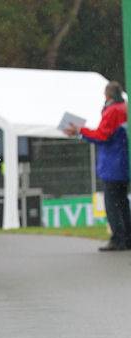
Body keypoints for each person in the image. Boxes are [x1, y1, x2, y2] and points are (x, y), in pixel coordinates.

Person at [65, 81, 131, 251]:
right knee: (122, 202)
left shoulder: (112, 111)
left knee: (112, 203)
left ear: (107, 95)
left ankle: (118, 238)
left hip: (112, 164)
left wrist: (80, 130)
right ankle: (128, 237)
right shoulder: (125, 108)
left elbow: (102, 135)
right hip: (123, 162)